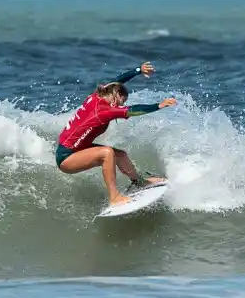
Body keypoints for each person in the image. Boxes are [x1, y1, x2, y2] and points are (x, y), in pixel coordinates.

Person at [55, 61, 177, 206]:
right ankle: (114, 197)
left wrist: (138, 70)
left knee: (120, 155)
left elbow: (116, 82)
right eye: (121, 102)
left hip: (77, 148)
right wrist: (158, 106)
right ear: (116, 95)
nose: (120, 106)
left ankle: (139, 182)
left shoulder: (96, 97)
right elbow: (133, 109)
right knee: (107, 153)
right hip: (66, 157)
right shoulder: (103, 111)